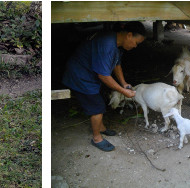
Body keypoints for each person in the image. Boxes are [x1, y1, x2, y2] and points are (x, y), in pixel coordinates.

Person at [62, 21, 146, 151]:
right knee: (97, 108)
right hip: (80, 74)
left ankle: (101, 128)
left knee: (100, 100)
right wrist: (123, 92)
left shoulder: (117, 44)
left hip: (89, 73)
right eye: (137, 43)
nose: (135, 46)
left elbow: (116, 64)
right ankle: (97, 138)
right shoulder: (107, 45)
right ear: (129, 35)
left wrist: (123, 83)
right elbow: (103, 76)